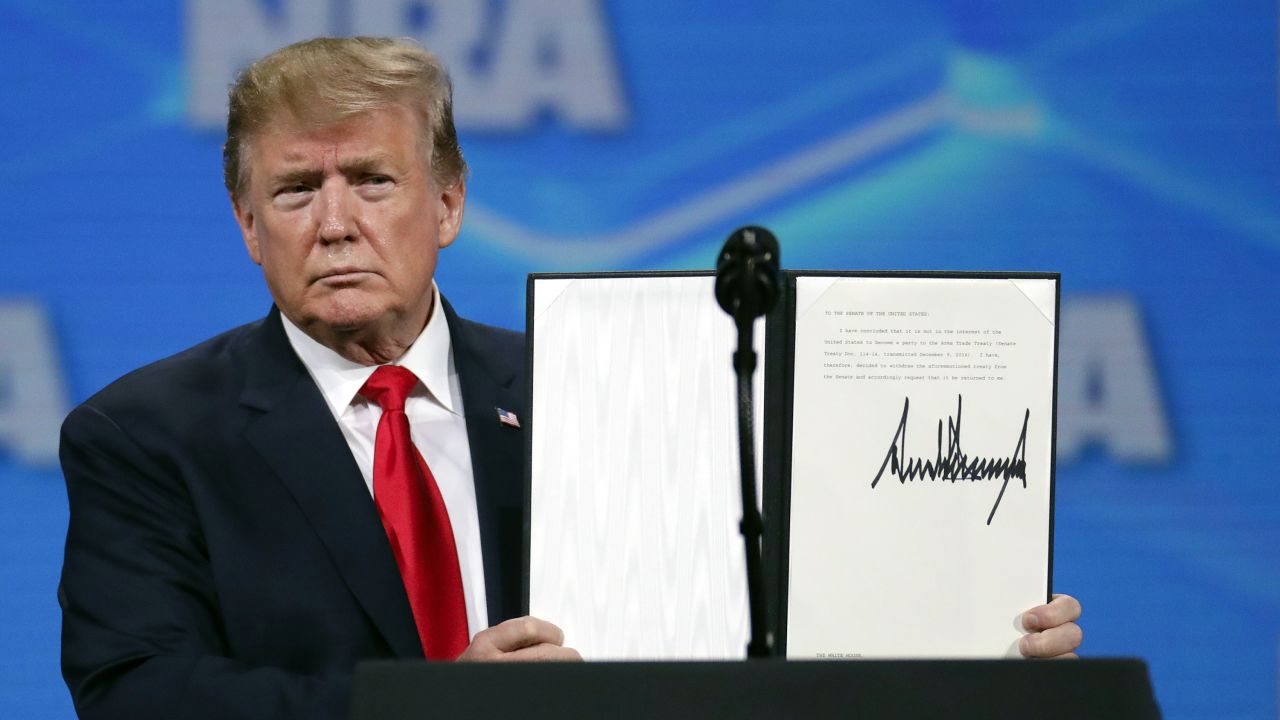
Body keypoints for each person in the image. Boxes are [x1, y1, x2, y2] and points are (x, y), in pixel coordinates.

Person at [58, 36, 1081, 720]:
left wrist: (978, 653)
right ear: (246, 225)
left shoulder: (595, 386)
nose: (334, 223)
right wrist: (435, 704)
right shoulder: (148, 433)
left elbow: (755, 633)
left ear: (449, 204)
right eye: (293, 190)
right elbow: (136, 691)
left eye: (372, 180)